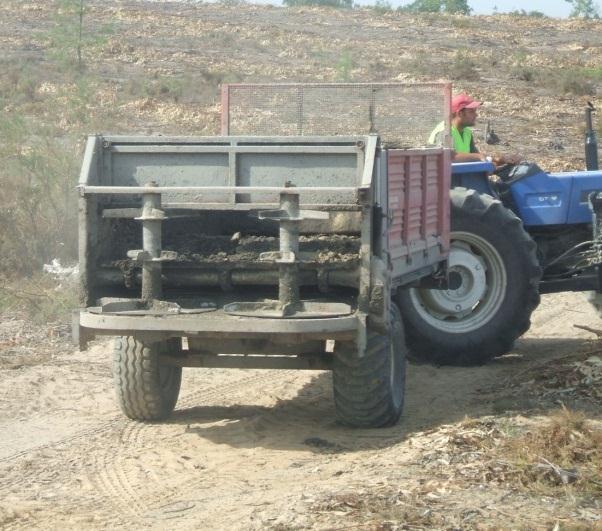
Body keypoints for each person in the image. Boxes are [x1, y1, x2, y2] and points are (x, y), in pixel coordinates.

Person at [429, 93, 520, 166]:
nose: (476, 115)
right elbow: (447, 157)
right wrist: (478, 157)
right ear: (460, 113)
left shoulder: (467, 133)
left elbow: (478, 161)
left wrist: (501, 160)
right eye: (471, 111)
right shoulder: (445, 132)